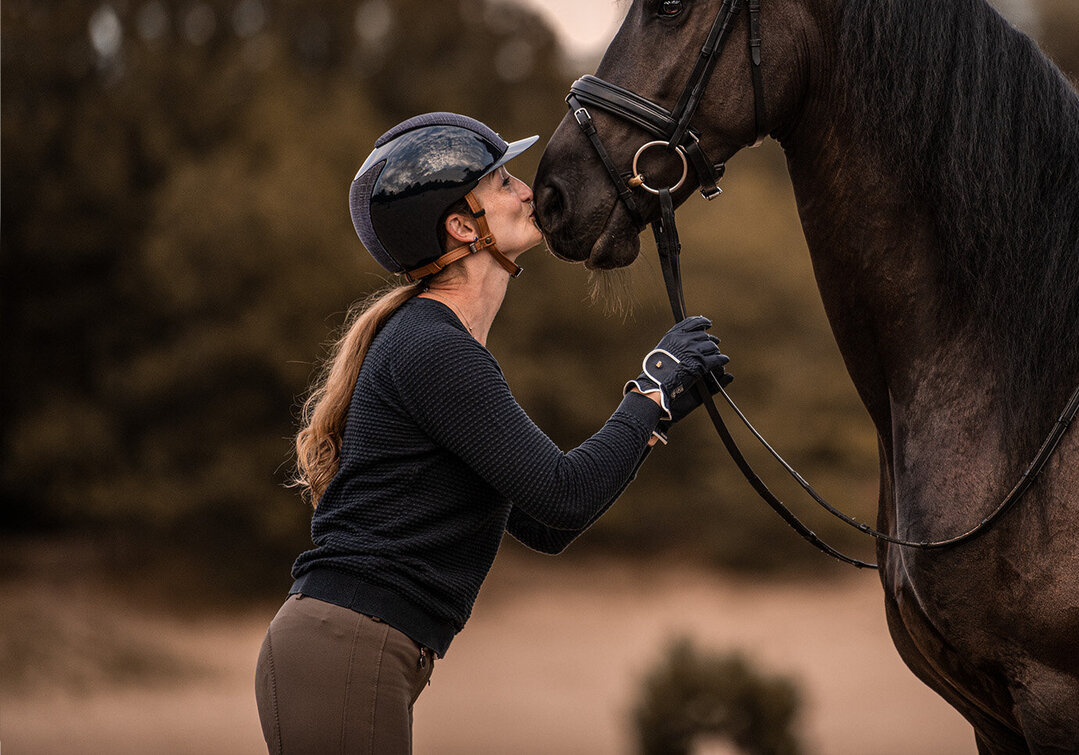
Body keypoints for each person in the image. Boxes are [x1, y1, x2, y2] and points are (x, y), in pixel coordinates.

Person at [254, 112, 726, 754]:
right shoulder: (434, 349)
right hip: (347, 644)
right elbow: (564, 493)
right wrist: (649, 390)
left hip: (350, 646)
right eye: (504, 182)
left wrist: (658, 413)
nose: (528, 190)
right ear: (460, 224)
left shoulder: (441, 348)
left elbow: (547, 526)